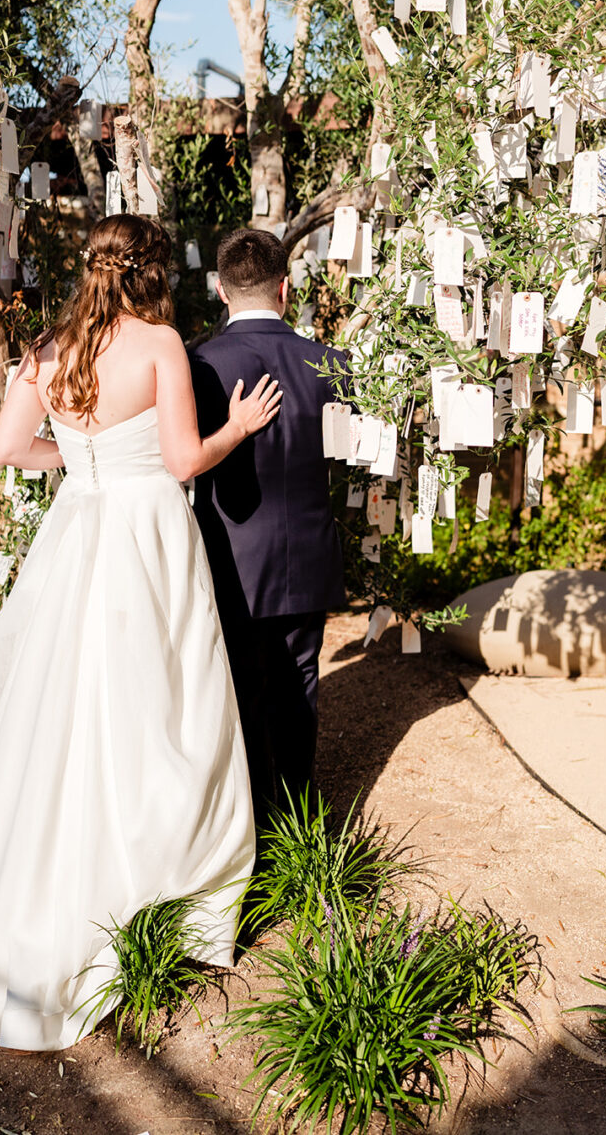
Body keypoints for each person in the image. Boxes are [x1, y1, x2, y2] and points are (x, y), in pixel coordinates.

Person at [0, 214, 281, 1052]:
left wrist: (81, 464)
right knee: (159, 705)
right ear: (154, 272)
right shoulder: (158, 343)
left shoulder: (47, 349)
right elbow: (186, 461)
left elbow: (12, 446)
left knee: (57, 721)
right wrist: (239, 428)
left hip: (78, 531)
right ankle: (158, 892)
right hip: (146, 536)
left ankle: (31, 912)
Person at [189, 227, 349, 820]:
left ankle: (255, 822)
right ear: (285, 288)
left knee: (242, 687)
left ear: (221, 291)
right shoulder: (331, 365)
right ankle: (301, 814)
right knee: (302, 677)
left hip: (232, 554)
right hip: (309, 550)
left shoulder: (199, 363)